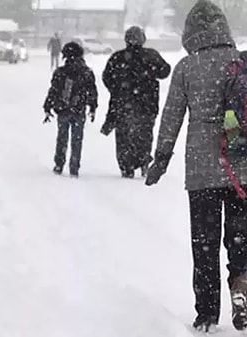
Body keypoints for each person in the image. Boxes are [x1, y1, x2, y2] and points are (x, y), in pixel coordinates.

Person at [145, 0, 247, 332]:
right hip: (241, 168)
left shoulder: (188, 67)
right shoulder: (240, 62)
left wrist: (161, 158)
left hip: (202, 170)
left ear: (191, 32)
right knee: (241, 239)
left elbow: (172, 116)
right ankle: (242, 289)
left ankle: (206, 315)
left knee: (204, 244)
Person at [102, 26, 171, 178]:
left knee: (123, 137)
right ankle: (143, 160)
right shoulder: (151, 55)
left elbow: (106, 77)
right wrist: (150, 73)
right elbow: (165, 71)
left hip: (122, 105)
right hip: (147, 104)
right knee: (145, 135)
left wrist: (118, 89)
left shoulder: (117, 57)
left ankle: (126, 166)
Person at [43, 42, 97, 177]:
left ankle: (59, 163)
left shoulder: (60, 72)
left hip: (63, 109)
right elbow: (92, 91)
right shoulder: (87, 72)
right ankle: (74, 166)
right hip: (79, 110)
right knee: (77, 139)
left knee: (62, 137)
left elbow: (53, 91)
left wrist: (48, 106)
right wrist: (92, 107)